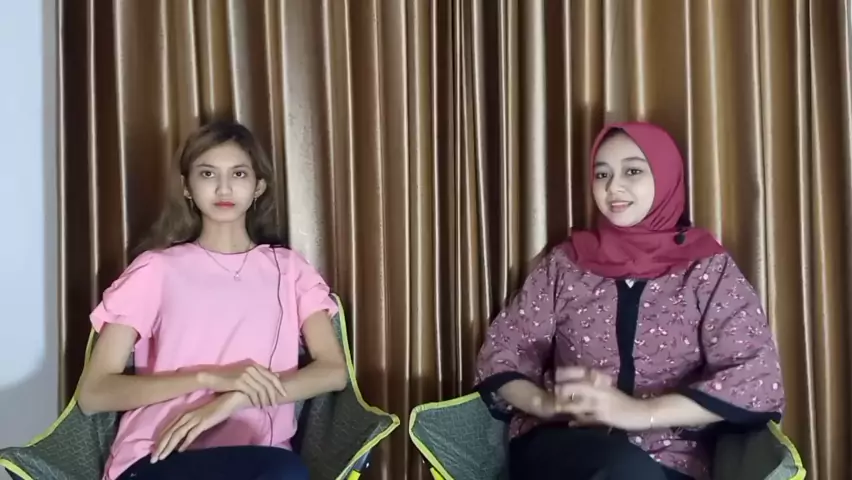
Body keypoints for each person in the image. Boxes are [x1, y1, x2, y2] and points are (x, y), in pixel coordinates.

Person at [473, 122, 785, 480]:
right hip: (564, 448)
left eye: (632, 171)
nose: (613, 187)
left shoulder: (706, 269)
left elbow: (757, 378)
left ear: (665, 178)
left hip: (670, 460)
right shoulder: (566, 264)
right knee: (621, 469)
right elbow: (501, 350)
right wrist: (545, 404)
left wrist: (640, 413)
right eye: (601, 174)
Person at [77, 120, 348, 480]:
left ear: (258, 186)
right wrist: (209, 378)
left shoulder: (289, 270)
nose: (224, 187)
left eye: (239, 173)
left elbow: (333, 371)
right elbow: (94, 393)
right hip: (159, 456)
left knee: (285, 472)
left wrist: (235, 399)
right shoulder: (155, 269)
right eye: (207, 174)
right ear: (187, 187)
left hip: (261, 461)